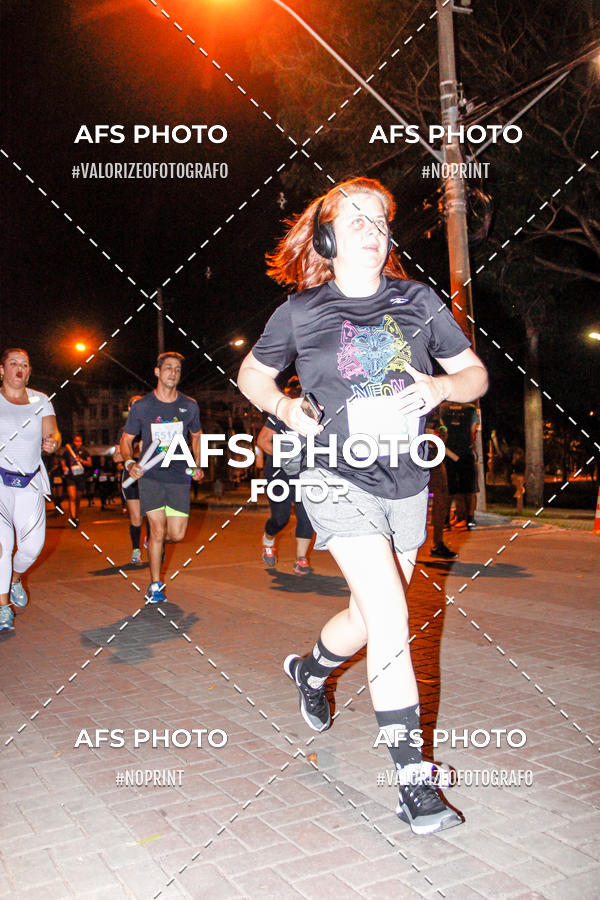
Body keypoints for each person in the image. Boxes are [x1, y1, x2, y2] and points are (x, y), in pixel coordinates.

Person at [238, 177, 488, 833]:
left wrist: (438, 386)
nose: (372, 228)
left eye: (380, 218)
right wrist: (286, 406)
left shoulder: (417, 299)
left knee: (369, 615)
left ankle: (311, 670)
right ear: (326, 237)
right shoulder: (300, 311)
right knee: (390, 614)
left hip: (407, 481)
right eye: (355, 220)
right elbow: (253, 378)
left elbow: (475, 375)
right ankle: (414, 783)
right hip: (332, 477)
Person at [120, 352, 203, 603]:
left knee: (176, 534)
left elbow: (197, 435)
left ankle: (153, 540)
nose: (173, 373)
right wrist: (130, 462)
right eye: (168, 368)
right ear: (157, 372)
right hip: (151, 476)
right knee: (158, 531)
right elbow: (126, 440)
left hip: (179, 475)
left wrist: (197, 464)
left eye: (177, 369)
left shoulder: (189, 405)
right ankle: (155, 585)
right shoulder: (142, 406)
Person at [0, 348, 61, 632]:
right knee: (3, 546)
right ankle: (3, 608)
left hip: (29, 481)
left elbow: (53, 433)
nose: (19, 368)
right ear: (2, 370)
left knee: (32, 547)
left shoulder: (40, 400)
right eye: (13, 363)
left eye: (25, 364)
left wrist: (52, 442)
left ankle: (14, 579)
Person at [257, 375, 315, 575]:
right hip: (278, 474)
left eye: (301, 388)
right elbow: (263, 441)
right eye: (293, 389)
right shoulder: (279, 415)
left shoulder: (316, 414)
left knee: (306, 516)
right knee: (280, 518)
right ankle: (268, 539)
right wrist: (285, 456)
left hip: (305, 474)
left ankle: (301, 559)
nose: (297, 392)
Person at [114, 394, 145, 565]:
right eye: (134, 405)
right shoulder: (124, 431)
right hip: (132, 477)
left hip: (150, 477)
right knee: (136, 518)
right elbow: (117, 458)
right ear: (129, 409)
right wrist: (132, 452)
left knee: (155, 515)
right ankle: (136, 551)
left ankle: (151, 540)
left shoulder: (151, 428)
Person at [442, 402, 479, 529]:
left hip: (449, 452)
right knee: (470, 489)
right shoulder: (471, 409)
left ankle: (446, 520)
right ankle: (470, 519)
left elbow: (442, 430)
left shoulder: (443, 408)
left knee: (449, 489)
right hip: (466, 451)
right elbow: (473, 429)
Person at [426, 413, 457, 560]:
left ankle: (437, 543)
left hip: (434, 459)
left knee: (441, 498)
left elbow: (442, 427)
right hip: (413, 459)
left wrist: (442, 432)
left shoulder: (438, 410)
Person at [62, 434, 92, 525]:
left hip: (81, 477)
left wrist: (81, 461)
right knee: (72, 497)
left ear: (81, 442)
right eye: (75, 441)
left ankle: (76, 515)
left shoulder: (84, 451)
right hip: (70, 477)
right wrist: (64, 466)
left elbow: (89, 463)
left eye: (79, 441)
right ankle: (73, 518)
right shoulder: (68, 450)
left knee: (78, 498)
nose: (77, 443)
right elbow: (62, 460)